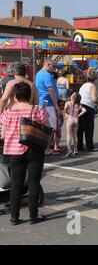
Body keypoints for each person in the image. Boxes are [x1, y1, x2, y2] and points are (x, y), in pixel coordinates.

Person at [0, 82, 49, 225]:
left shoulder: (7, 113)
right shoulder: (37, 110)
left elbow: (3, 132)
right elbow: (46, 125)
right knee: (33, 182)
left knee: (16, 184)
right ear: (30, 95)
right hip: (34, 149)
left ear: (15, 96)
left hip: (14, 152)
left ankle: (14, 217)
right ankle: (33, 216)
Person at [77, 68, 98, 152]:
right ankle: (90, 146)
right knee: (89, 128)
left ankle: (79, 145)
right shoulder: (92, 86)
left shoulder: (83, 85)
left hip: (80, 106)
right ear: (95, 78)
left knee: (80, 128)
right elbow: (94, 99)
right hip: (88, 107)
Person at [35, 59, 60, 131]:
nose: (54, 68)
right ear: (48, 65)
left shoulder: (39, 73)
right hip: (47, 103)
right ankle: (50, 142)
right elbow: (51, 90)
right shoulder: (47, 75)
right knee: (51, 127)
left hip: (43, 102)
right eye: (53, 66)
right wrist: (56, 105)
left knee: (43, 122)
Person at [64, 92, 86, 158]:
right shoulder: (78, 104)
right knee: (75, 135)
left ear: (72, 97)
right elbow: (84, 110)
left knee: (68, 135)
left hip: (70, 118)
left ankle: (69, 150)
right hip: (76, 119)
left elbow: (65, 108)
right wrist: (78, 115)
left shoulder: (68, 103)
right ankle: (75, 150)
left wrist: (66, 112)